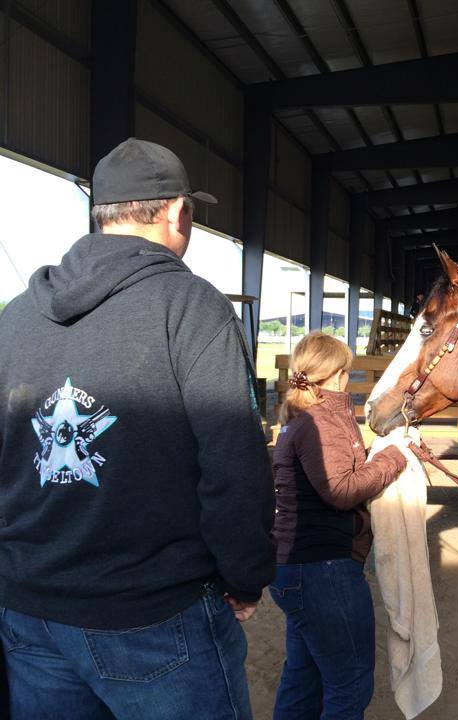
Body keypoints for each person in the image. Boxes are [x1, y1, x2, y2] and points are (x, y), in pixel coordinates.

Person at [0, 138, 276, 719]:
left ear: (100, 215)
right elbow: (234, 461)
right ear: (178, 212)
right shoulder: (191, 306)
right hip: (151, 614)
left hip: (29, 612)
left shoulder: (15, 317)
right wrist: (245, 576)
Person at [271, 331, 410, 720]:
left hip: (297, 568)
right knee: (349, 684)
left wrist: (373, 455)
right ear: (336, 375)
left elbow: (333, 471)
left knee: (303, 680)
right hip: (323, 571)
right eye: (347, 371)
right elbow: (341, 489)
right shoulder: (321, 421)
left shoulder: (304, 418)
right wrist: (395, 458)